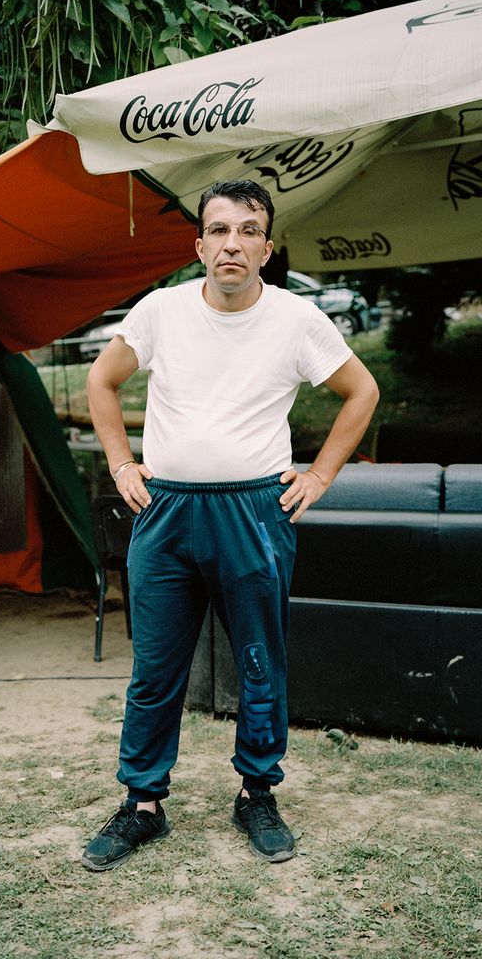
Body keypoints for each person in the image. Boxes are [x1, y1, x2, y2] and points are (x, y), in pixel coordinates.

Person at [82, 179, 379, 871]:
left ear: (266, 247)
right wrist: (123, 463)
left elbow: (361, 391)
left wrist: (320, 476)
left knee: (258, 663)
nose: (232, 244)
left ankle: (257, 794)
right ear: (199, 246)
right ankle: (143, 806)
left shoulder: (296, 319)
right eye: (219, 230)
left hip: (252, 511)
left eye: (248, 231)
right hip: (166, 511)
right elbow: (102, 382)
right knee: (155, 669)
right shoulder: (161, 310)